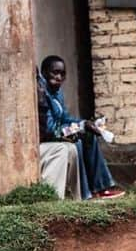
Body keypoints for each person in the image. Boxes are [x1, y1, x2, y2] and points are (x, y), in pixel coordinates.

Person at [37, 56, 124, 200]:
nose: (59, 77)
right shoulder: (42, 94)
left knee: (89, 136)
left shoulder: (57, 93)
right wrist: (79, 127)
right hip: (47, 139)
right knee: (76, 143)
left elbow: (65, 118)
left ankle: (101, 187)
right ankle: (84, 194)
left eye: (62, 74)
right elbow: (51, 128)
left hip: (58, 134)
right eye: (55, 73)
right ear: (44, 73)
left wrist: (85, 123)